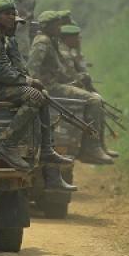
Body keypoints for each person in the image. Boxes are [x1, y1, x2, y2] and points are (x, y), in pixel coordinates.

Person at [0, 0, 73, 190]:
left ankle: (47, 148)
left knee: (41, 94)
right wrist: (28, 81)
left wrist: (28, 78)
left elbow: (17, 69)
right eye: (7, 14)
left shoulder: (3, 38)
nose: (12, 19)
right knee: (34, 96)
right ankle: (7, 145)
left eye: (12, 14)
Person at [28, 13, 113, 165]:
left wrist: (74, 81)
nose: (60, 28)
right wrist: (38, 89)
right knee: (94, 100)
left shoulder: (50, 41)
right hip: (50, 88)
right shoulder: (42, 42)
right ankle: (91, 148)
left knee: (94, 98)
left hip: (55, 85)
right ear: (48, 26)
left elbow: (59, 70)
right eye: (57, 25)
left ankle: (94, 146)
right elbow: (32, 70)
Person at [59, 23, 119, 159]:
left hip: (64, 86)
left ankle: (98, 145)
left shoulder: (66, 51)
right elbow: (67, 76)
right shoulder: (64, 52)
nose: (79, 40)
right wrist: (80, 79)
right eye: (76, 37)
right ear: (68, 38)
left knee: (97, 99)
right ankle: (92, 147)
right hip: (58, 88)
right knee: (95, 100)